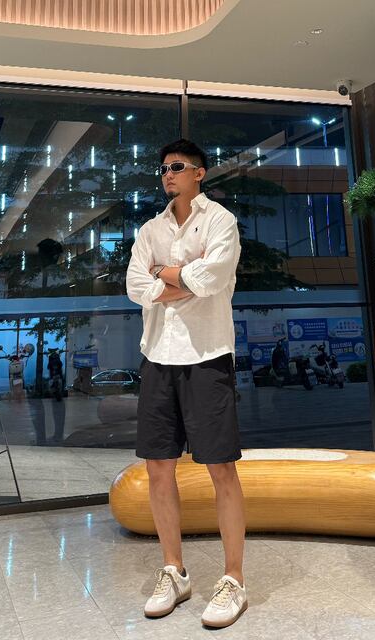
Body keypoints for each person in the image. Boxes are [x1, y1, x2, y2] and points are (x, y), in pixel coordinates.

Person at [126, 139, 247, 628]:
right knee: (158, 467)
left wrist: (164, 273)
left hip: (207, 357)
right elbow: (136, 286)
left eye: (176, 166)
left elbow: (212, 278)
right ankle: (174, 571)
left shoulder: (220, 221)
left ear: (200, 173)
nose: (167, 174)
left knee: (221, 468)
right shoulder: (149, 229)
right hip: (157, 356)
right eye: (163, 168)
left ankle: (234, 579)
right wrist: (181, 279)